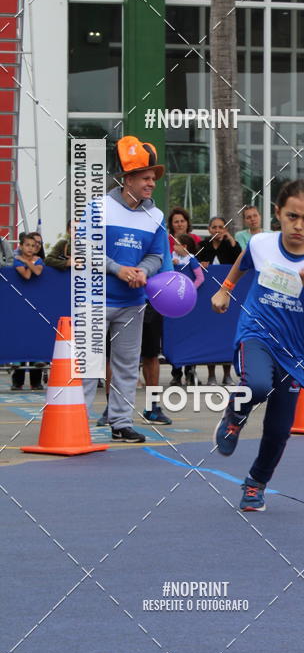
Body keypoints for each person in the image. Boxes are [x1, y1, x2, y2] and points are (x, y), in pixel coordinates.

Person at [211, 179, 304, 512]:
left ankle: (255, 483)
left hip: (295, 356)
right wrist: (225, 288)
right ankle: (235, 414)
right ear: (278, 213)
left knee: (278, 430)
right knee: (256, 384)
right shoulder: (261, 244)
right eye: (292, 216)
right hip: (256, 333)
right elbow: (244, 260)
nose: (298, 226)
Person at [81, 136, 171, 443]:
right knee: (88, 365)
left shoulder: (156, 216)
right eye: (146, 178)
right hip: (94, 299)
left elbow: (158, 256)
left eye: (153, 179)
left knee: (127, 365)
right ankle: (77, 421)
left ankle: (120, 422)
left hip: (134, 301)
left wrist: (142, 272)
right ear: (128, 179)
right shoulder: (97, 207)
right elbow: (86, 248)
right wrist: (119, 269)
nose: (151, 184)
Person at [197, 216, 241, 385]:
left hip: (227, 295)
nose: (217, 230)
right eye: (214, 227)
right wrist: (200, 264)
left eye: (221, 227)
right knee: (210, 333)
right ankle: (211, 374)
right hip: (208, 296)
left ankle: (228, 374)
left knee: (226, 334)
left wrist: (230, 239)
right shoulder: (204, 245)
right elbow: (194, 261)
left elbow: (239, 261)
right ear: (209, 229)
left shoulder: (229, 246)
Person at [169, 233, 205, 386]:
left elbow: (200, 278)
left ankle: (190, 371)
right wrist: (172, 264)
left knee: (189, 335)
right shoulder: (171, 256)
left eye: (176, 244)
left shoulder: (191, 259)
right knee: (175, 335)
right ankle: (176, 373)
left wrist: (190, 290)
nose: (174, 246)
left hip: (187, 303)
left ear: (184, 246)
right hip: (172, 301)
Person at [11, 233, 44, 390]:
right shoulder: (17, 260)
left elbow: (37, 272)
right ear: (21, 246)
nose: (31, 248)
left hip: (37, 306)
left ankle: (36, 381)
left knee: (36, 340)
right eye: (27, 245)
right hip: (19, 305)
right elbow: (27, 275)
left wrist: (27, 262)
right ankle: (17, 381)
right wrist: (27, 262)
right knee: (20, 340)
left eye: (33, 245)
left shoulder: (37, 260)